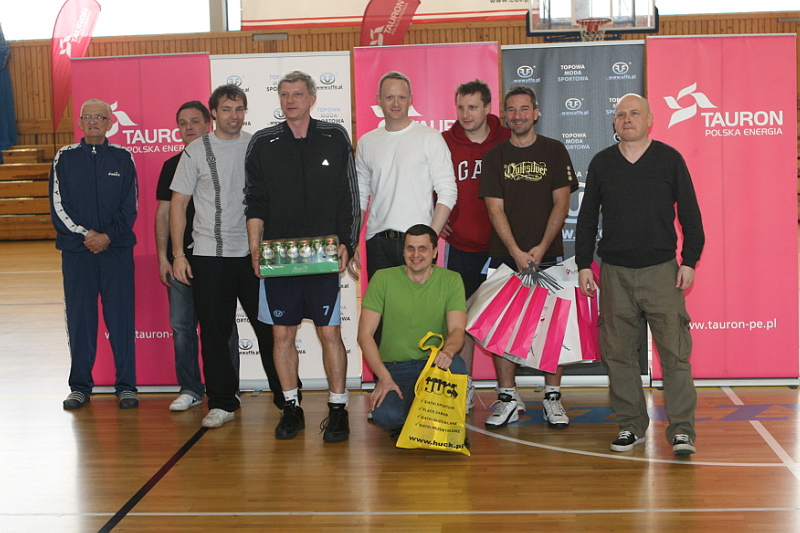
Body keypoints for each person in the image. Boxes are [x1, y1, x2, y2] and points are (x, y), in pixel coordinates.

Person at [575, 93, 705, 455]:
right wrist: (584, 263)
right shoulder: (602, 163)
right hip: (614, 274)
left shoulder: (669, 159)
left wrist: (690, 261)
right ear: (614, 122)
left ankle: (682, 431)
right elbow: (587, 218)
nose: (627, 119)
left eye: (634, 113)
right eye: (621, 115)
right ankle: (631, 426)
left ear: (649, 120)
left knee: (675, 355)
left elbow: (691, 215)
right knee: (619, 356)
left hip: (662, 273)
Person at [245, 71, 359, 442]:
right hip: (279, 256)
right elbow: (255, 202)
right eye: (284, 94)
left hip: (323, 254)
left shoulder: (335, 136)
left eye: (297, 94)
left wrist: (348, 242)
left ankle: (338, 409)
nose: (290, 100)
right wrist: (255, 249)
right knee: (282, 334)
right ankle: (291, 408)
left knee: (330, 332)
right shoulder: (263, 142)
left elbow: (349, 196)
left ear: (312, 98)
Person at [169, 84, 285, 429]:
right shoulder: (195, 151)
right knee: (215, 334)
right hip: (209, 256)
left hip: (254, 257)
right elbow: (178, 204)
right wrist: (178, 254)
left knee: (270, 331)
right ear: (213, 113)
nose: (234, 116)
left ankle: (286, 398)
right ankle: (222, 402)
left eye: (239, 109)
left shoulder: (257, 146)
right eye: (226, 109)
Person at [479, 85, 578, 430]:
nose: (518, 115)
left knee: (553, 327)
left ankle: (552, 398)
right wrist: (516, 252)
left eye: (524, 109)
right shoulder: (494, 156)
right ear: (504, 115)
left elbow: (562, 203)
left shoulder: (555, 150)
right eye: (511, 109)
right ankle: (508, 398)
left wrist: (541, 247)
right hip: (506, 256)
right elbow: (494, 209)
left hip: (549, 255)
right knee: (502, 328)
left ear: (536, 113)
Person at [51, 98, 138, 410]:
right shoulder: (64, 157)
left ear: (110, 123)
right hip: (78, 253)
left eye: (99, 117)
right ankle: (79, 387)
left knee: (121, 319)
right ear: (79, 122)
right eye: (87, 117)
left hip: (116, 252)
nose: (93, 122)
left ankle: (126, 387)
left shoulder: (123, 157)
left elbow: (130, 206)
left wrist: (108, 236)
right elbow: (58, 206)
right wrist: (86, 235)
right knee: (80, 320)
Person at [155, 100, 240, 412]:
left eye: (194, 121)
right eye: (182, 123)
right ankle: (190, 388)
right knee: (182, 326)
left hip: (217, 258)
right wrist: (164, 257)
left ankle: (229, 390)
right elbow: (164, 213)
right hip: (181, 261)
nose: (188, 127)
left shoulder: (233, 157)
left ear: (209, 123)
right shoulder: (171, 165)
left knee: (222, 327)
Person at [441, 79, 511, 414]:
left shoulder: (507, 138)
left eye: (472, 107)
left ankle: (507, 393)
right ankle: (464, 386)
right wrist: (436, 216)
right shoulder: (444, 142)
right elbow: (428, 183)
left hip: (502, 246)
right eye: (461, 107)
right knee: (462, 320)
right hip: (461, 246)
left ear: (487, 108)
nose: (466, 114)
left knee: (502, 320)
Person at [358, 224, 467, 438]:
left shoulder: (451, 280)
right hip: (395, 369)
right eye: (410, 248)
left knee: (456, 364)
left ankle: (434, 418)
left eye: (422, 248)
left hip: (433, 365)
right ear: (403, 251)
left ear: (435, 252)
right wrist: (384, 377)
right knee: (386, 417)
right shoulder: (383, 278)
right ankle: (420, 414)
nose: (415, 255)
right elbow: (364, 335)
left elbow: (457, 329)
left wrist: (447, 351)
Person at [352, 71, 457, 280]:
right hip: (377, 243)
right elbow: (361, 196)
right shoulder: (366, 142)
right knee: (381, 303)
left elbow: (447, 192)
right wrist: (352, 240)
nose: (396, 103)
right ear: (378, 100)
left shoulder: (430, 138)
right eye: (389, 97)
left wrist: (430, 239)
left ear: (411, 99)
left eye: (401, 97)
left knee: (420, 302)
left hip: (418, 245)